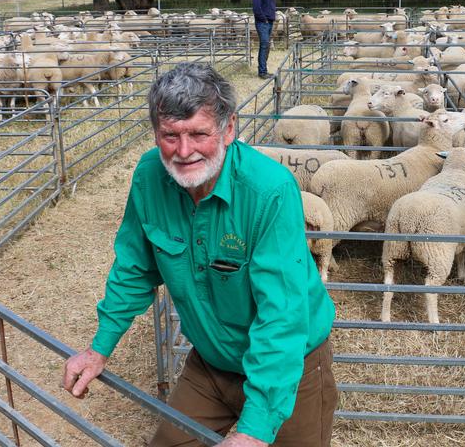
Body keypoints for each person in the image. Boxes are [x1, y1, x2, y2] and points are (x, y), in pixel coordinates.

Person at [62, 62, 338, 447]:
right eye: (170, 136)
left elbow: (282, 314)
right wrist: (99, 348)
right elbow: (135, 267)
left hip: (290, 369)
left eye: (198, 134)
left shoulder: (268, 191)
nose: (184, 151)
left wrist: (255, 430)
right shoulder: (148, 177)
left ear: (228, 129)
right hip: (211, 366)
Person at [252, 0, 277, 79]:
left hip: (269, 21)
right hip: (263, 23)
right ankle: (262, 72)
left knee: (266, 46)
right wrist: (264, 19)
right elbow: (256, 8)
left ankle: (264, 70)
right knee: (264, 45)